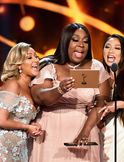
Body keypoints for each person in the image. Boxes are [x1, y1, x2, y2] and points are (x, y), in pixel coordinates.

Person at [28, 23, 110, 162]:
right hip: (51, 133)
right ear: (65, 41)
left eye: (85, 41)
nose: (81, 45)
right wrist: (60, 89)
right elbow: (39, 97)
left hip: (84, 132)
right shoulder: (50, 66)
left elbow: (100, 104)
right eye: (75, 40)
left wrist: (84, 133)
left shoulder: (95, 67)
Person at [75, 34, 124, 162]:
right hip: (109, 131)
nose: (111, 51)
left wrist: (122, 104)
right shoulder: (98, 75)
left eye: (117, 48)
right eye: (107, 47)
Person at [0, 42, 42, 162]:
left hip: (19, 148)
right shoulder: (13, 84)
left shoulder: (31, 88)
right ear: (19, 65)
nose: (36, 60)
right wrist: (27, 127)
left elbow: (22, 118)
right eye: (29, 57)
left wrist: (33, 125)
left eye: (36, 56)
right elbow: (1, 120)